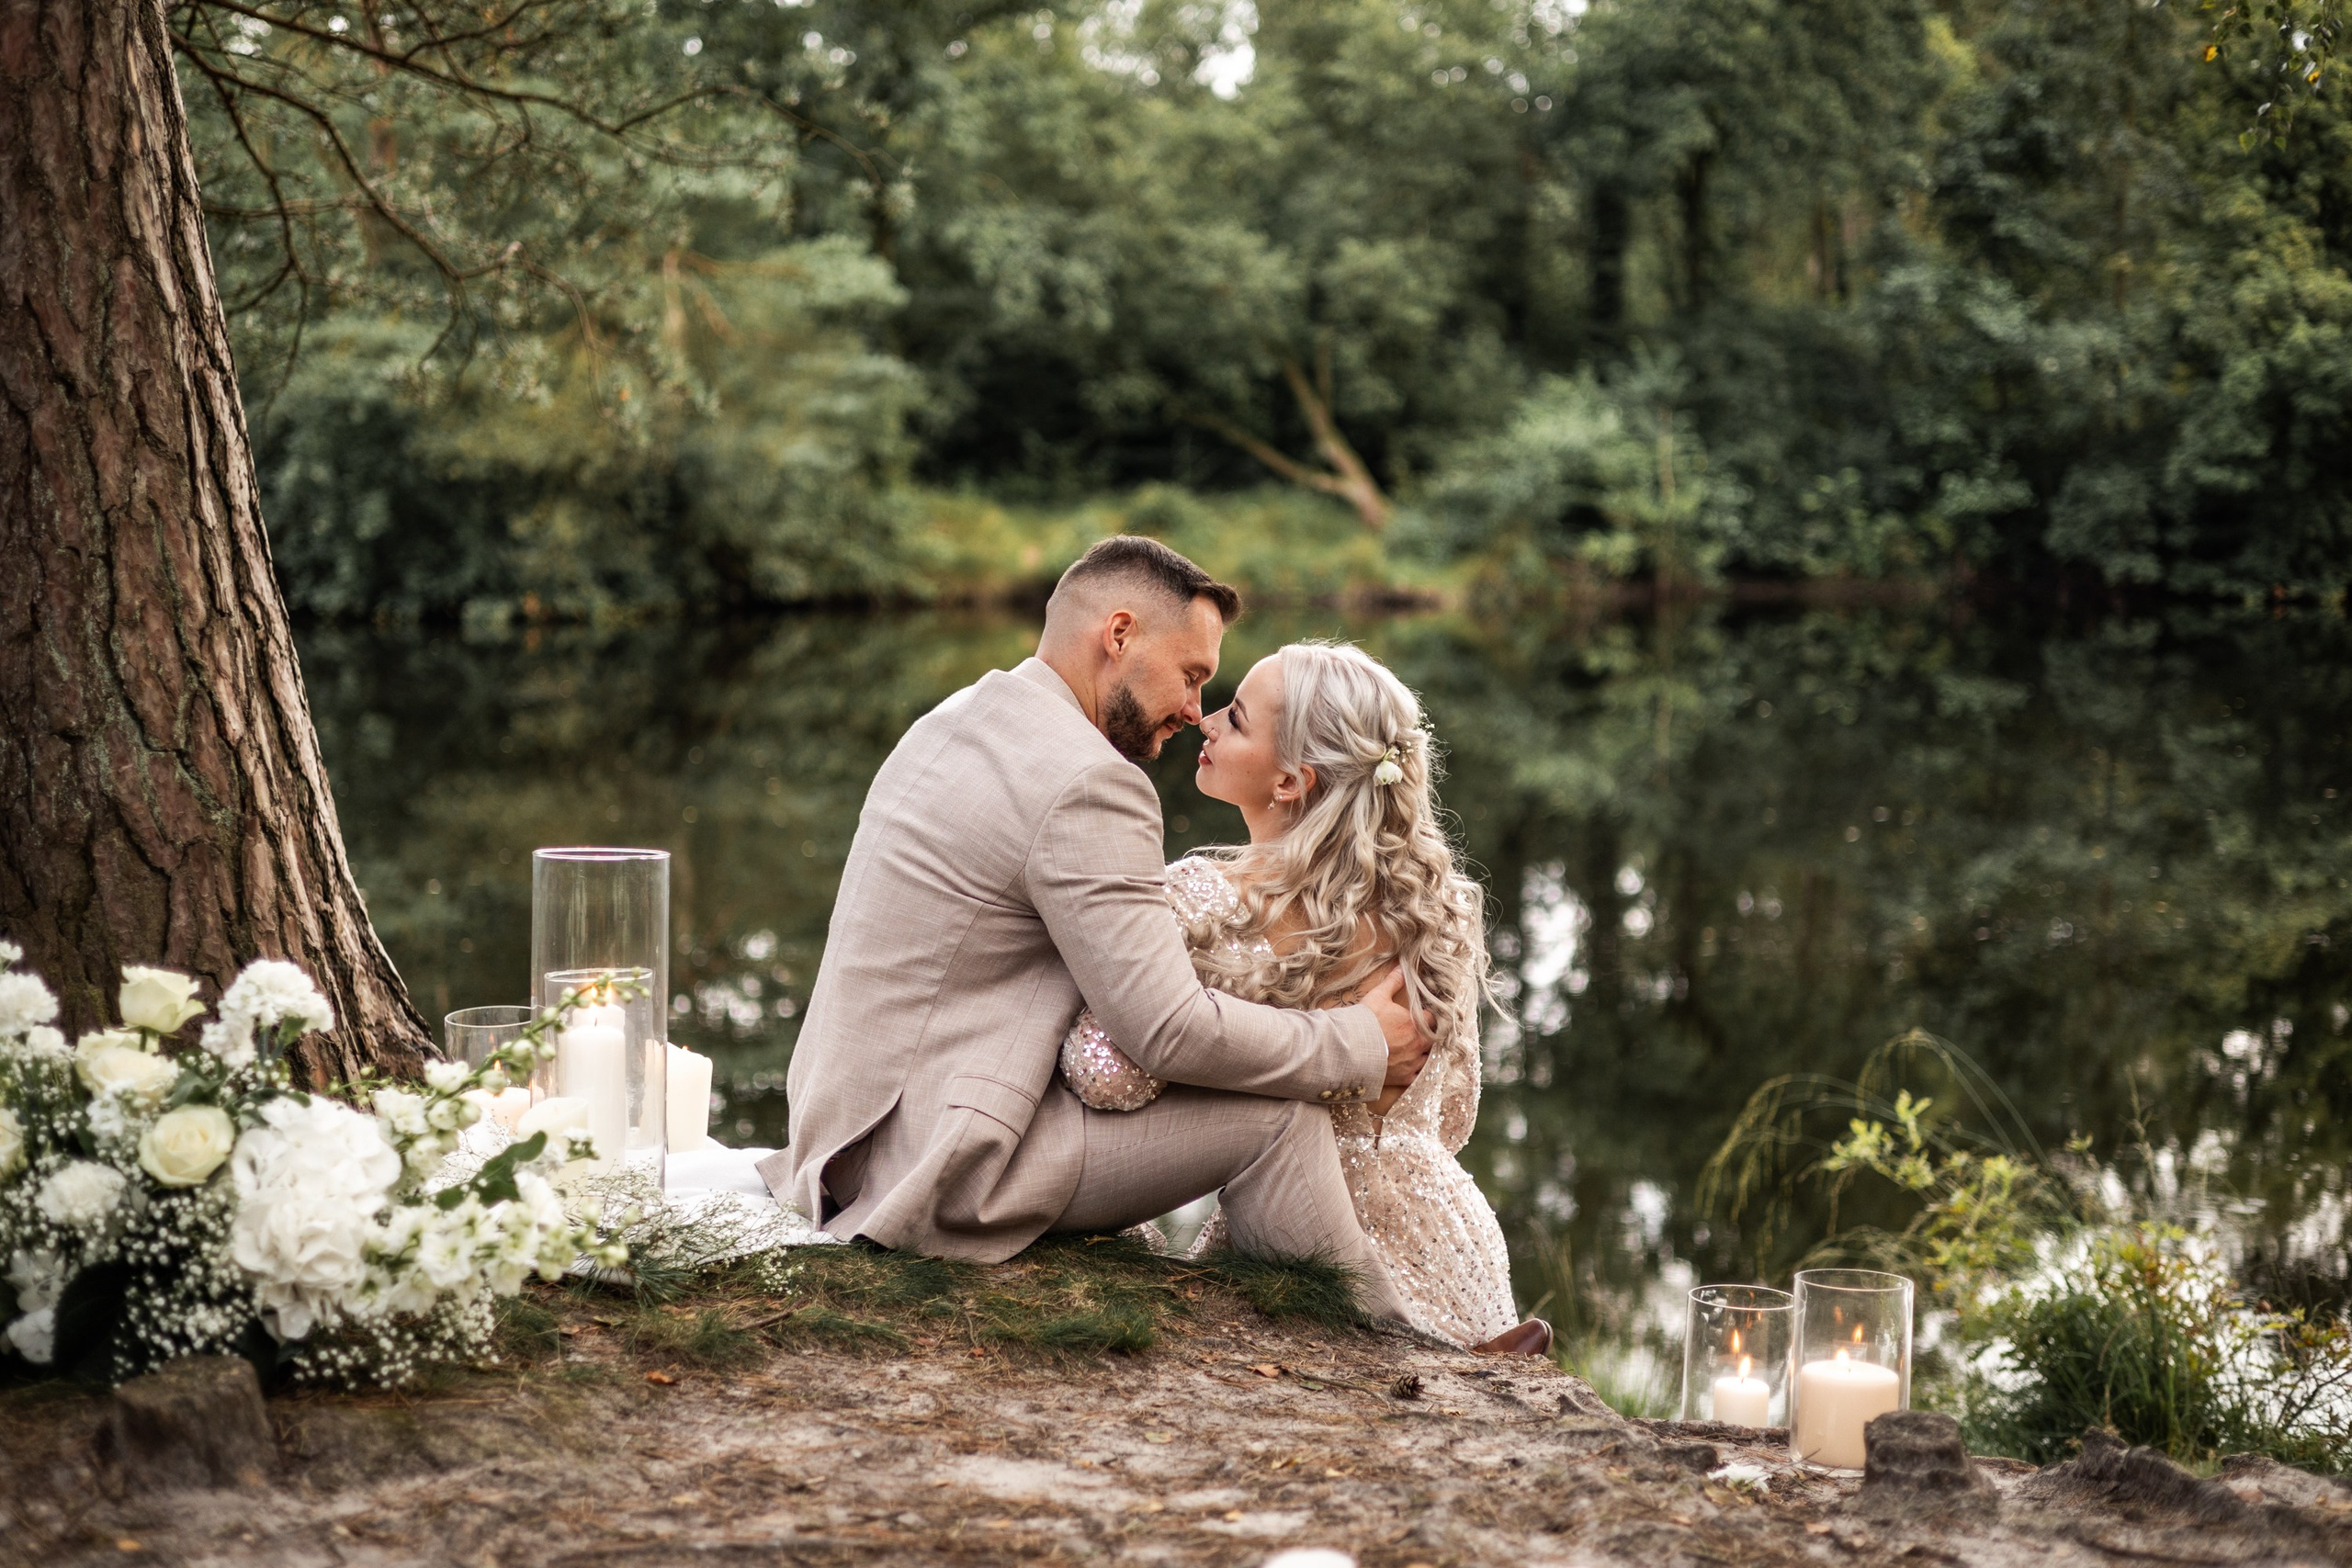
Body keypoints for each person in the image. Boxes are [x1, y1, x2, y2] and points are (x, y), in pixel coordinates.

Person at [761, 536, 1434, 1325]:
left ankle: (1340, 1313)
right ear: (1119, 635)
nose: (1194, 710)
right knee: (1281, 1116)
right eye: (1191, 675)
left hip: (840, 1133)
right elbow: (1166, 1030)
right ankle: (1400, 1343)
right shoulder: (1089, 781)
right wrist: (1358, 1041)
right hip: (933, 1168)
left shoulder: (958, 715)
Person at [1058, 640, 1551, 1355]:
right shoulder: (1437, 906)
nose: (1208, 721)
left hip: (1300, 1232)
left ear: (1292, 780)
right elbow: (1452, 1113)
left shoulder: (1205, 904)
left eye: (1238, 716)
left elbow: (1105, 1073)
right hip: (1450, 1238)